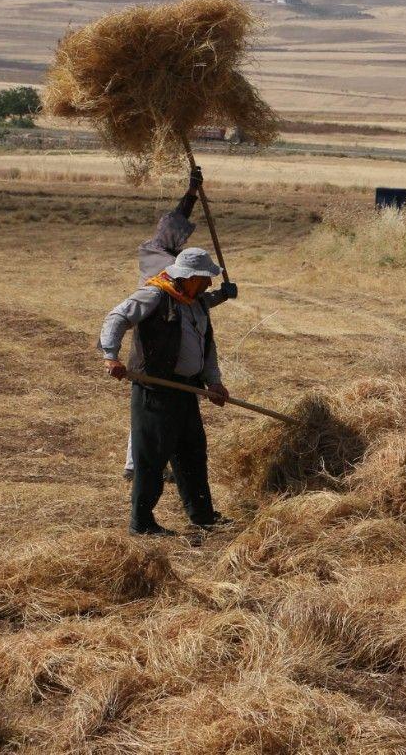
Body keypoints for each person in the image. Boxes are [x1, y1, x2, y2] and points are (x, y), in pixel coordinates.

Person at [100, 247, 231, 536]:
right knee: (151, 458)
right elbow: (117, 317)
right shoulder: (155, 295)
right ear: (190, 277)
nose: (210, 283)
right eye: (205, 278)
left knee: (193, 454)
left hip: (187, 390)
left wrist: (214, 382)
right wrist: (111, 355)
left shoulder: (196, 302)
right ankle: (142, 523)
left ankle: (202, 516)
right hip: (156, 390)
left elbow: (206, 347)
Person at [122, 167, 237, 481]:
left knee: (169, 410)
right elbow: (172, 223)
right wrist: (189, 196)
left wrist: (220, 295)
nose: (183, 236)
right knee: (149, 406)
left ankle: (162, 465)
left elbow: (195, 301)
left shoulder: (176, 259)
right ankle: (136, 465)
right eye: (180, 234)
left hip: (178, 335)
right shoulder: (157, 260)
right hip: (158, 338)